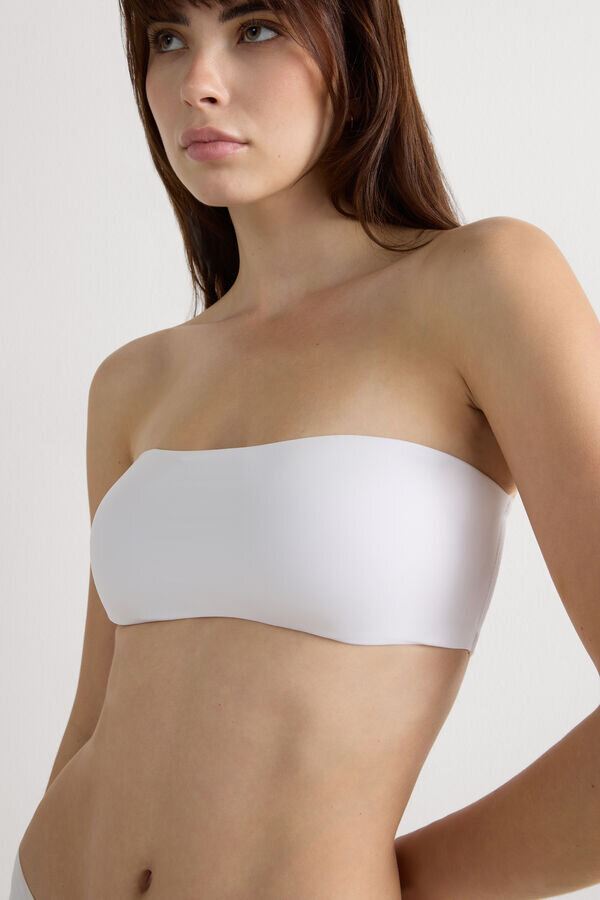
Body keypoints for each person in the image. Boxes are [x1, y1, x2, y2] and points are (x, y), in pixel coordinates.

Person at [13, 1, 600, 898]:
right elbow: (93, 719)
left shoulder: (481, 286)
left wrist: (392, 886)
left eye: (254, 28)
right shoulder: (134, 380)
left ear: (355, 45)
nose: (197, 83)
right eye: (167, 38)